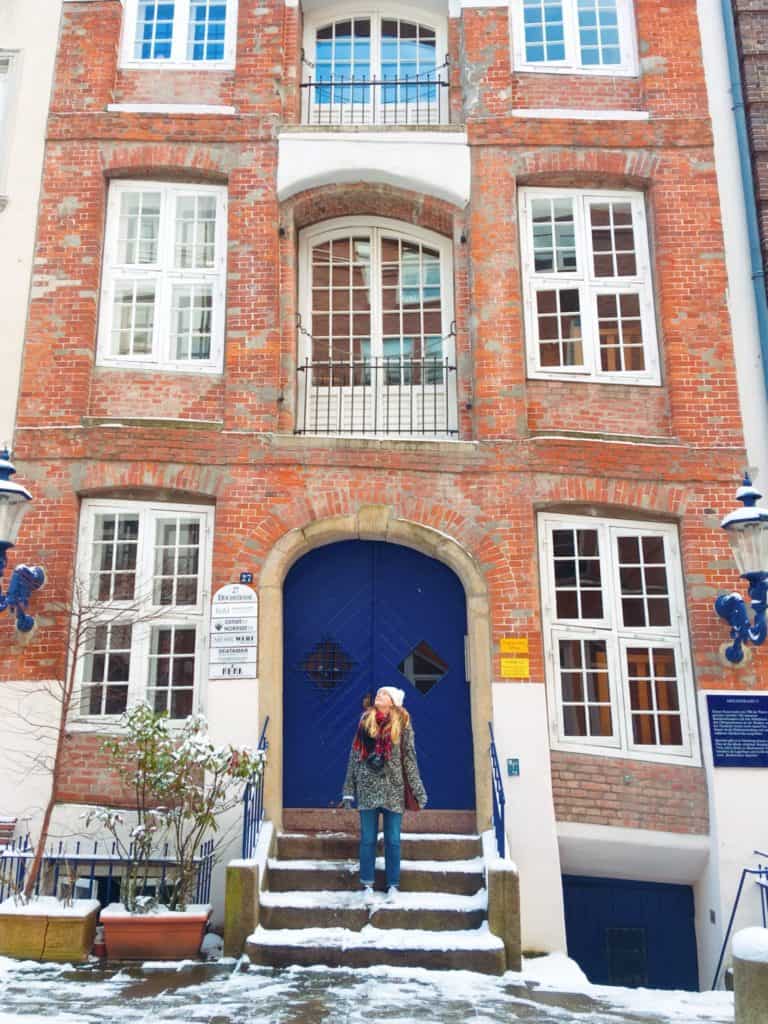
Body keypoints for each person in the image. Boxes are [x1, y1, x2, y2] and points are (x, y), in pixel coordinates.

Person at [342, 685, 427, 902]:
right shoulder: (365, 722)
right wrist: (348, 790)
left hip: (393, 788)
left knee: (393, 840)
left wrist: (418, 790)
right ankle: (367, 885)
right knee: (368, 839)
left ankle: (393, 886)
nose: (379, 696)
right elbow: (354, 755)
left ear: (393, 702)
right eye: (378, 693)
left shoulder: (404, 725)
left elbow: (409, 758)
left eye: (384, 694)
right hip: (367, 787)